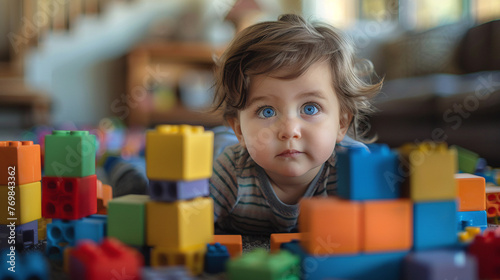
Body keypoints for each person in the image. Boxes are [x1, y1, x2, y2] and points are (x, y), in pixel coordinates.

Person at [209, 14, 382, 234]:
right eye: (267, 111)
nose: (289, 130)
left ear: (341, 123)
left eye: (310, 108)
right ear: (240, 130)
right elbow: (188, 226)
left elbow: (377, 232)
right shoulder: (230, 172)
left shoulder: (352, 167)